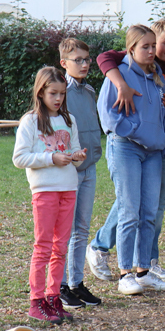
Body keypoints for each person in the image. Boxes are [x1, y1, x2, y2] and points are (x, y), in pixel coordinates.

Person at [88, 19, 165, 287]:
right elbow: (108, 116)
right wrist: (135, 131)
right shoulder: (120, 74)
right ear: (131, 49)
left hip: (154, 153)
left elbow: (164, 118)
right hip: (126, 148)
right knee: (129, 211)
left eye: (153, 46)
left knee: (149, 213)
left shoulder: (157, 78)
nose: (152, 51)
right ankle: (126, 275)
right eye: (146, 46)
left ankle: (143, 272)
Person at [13, 67, 87, 325]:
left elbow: (75, 153)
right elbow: (19, 158)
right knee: (43, 246)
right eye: (53, 93)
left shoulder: (69, 120)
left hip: (69, 188)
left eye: (62, 94)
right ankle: (37, 301)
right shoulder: (30, 121)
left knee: (61, 247)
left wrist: (77, 157)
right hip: (44, 190)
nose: (58, 98)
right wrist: (51, 158)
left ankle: (54, 297)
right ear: (40, 92)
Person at [55, 39, 104, 310]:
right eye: (78, 60)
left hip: (89, 166)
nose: (84, 64)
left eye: (87, 59)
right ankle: (60, 285)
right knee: (65, 229)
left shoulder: (89, 91)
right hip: (68, 169)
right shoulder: (60, 92)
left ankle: (76, 282)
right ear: (64, 63)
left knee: (82, 228)